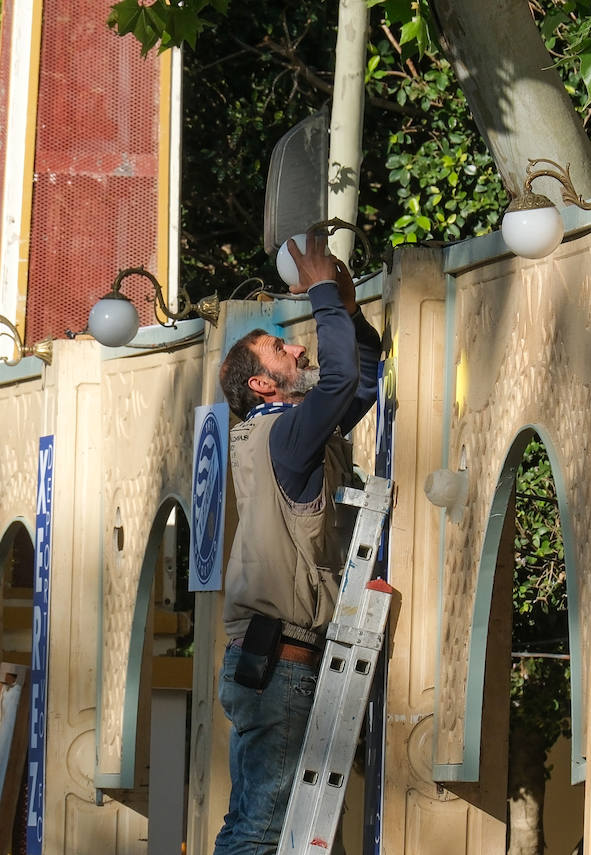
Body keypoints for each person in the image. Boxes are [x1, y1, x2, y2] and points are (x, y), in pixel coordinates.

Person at [213, 230, 381, 855]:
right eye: (282, 349)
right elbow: (338, 384)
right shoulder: (285, 436)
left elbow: (358, 386)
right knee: (260, 832)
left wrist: (348, 307)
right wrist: (319, 289)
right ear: (262, 385)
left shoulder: (288, 436)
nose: (299, 348)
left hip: (270, 660)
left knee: (262, 826)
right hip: (279, 663)